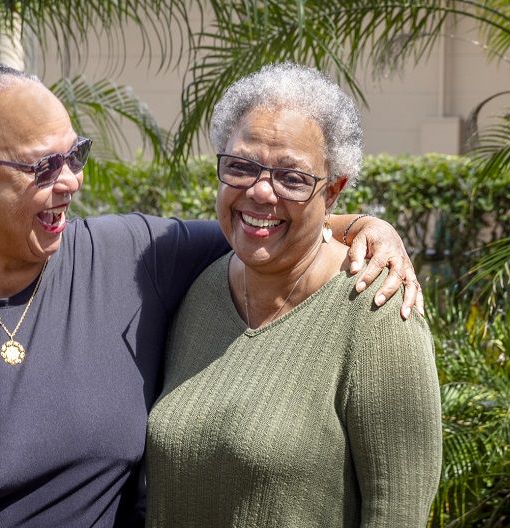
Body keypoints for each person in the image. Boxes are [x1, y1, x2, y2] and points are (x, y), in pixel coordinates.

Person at [0, 55, 425, 527]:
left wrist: (370, 228)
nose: (71, 181)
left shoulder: (133, 257)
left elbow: (263, 223)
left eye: (75, 154)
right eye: (41, 167)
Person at [145, 63, 442, 527]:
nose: (261, 191)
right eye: (241, 167)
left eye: (293, 178)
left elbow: (398, 514)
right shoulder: (197, 291)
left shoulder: (377, 313)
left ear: (334, 192)